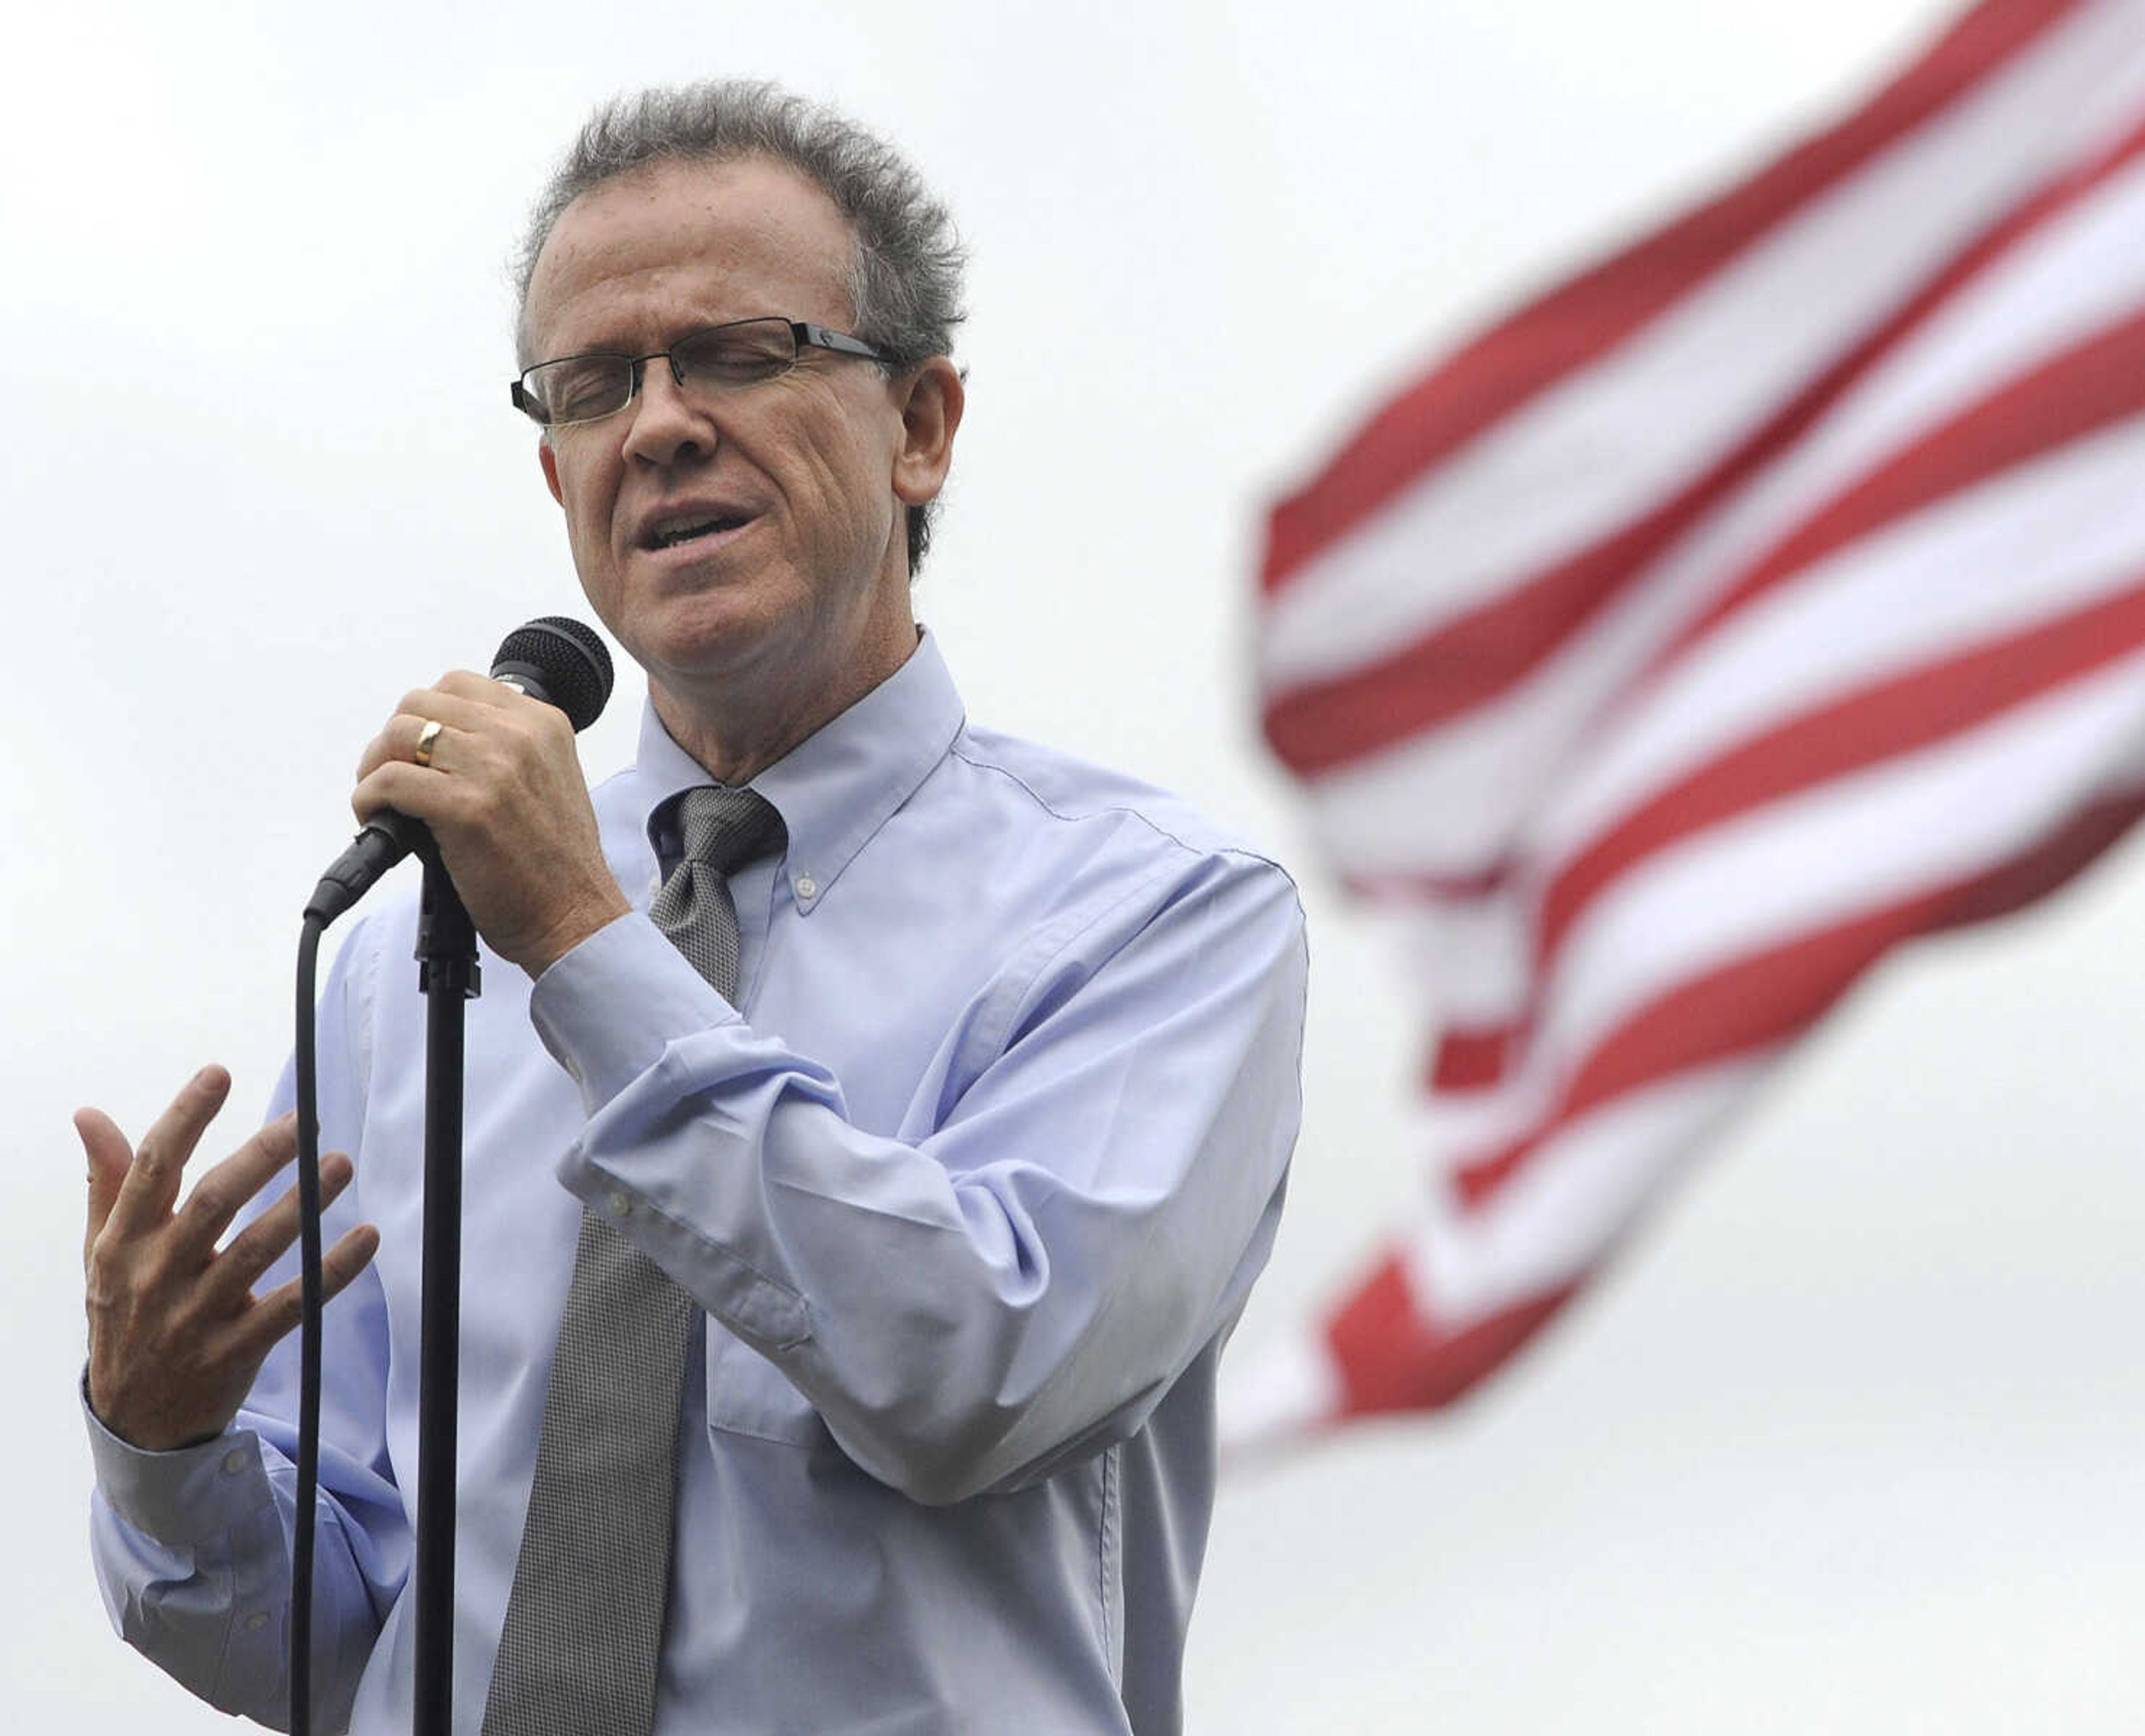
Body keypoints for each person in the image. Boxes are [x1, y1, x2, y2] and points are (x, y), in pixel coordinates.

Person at [79, 80, 1306, 1735]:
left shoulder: (1159, 917)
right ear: (556, 467)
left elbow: (977, 1372)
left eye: (740, 352)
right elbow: (341, 1646)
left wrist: (592, 955)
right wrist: (162, 1449)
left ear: (922, 424)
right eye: (596, 385)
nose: (658, 425)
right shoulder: (404, 962)